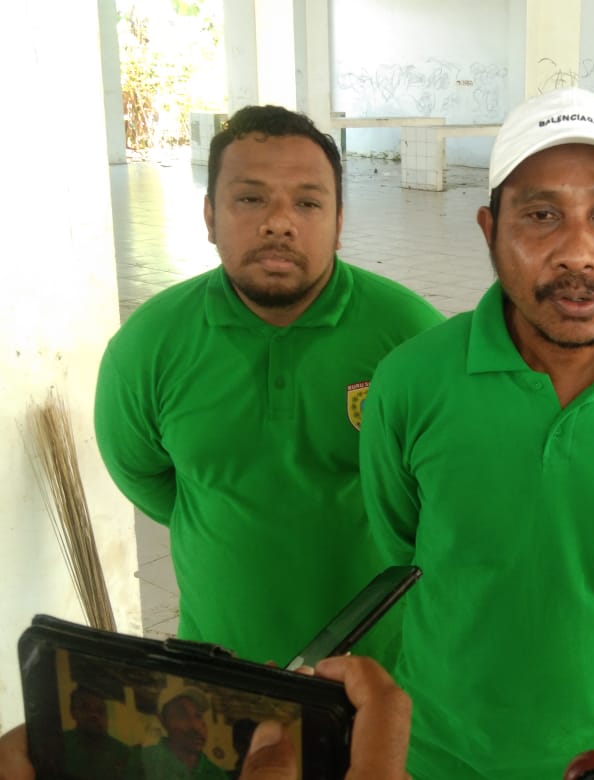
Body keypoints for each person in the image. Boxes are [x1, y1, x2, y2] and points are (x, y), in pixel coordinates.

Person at [359, 86, 594, 780]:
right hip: (443, 756)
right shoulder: (411, 381)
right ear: (490, 230)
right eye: (541, 215)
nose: (578, 252)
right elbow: (403, 548)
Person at [93, 105, 444, 667]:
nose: (279, 223)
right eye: (251, 198)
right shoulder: (149, 345)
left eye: (307, 203)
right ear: (210, 216)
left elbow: (444, 493)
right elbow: (145, 478)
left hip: (378, 674)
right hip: (216, 670)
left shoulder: (411, 336)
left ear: (339, 222)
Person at [0, 656, 411, 780]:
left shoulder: (216, 770)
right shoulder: (141, 760)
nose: (196, 724)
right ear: (164, 722)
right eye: (184, 714)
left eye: (199, 716)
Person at [137, 688, 226, 779]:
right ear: (163, 720)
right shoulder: (143, 759)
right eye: (182, 715)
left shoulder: (218, 775)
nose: (196, 727)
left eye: (198, 716)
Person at [61, 685, 135, 780]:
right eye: (85, 708)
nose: (94, 715)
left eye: (100, 711)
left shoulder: (123, 753)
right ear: (72, 711)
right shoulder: (60, 744)